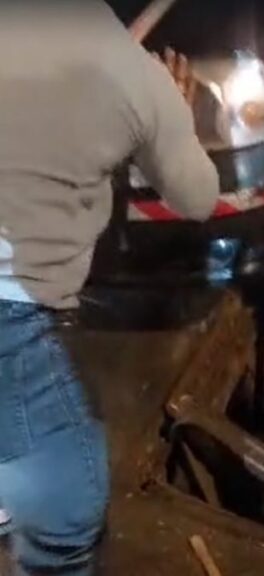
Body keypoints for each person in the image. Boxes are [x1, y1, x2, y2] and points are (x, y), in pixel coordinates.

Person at [0, 3, 219, 574]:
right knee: (69, 520)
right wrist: (173, 114)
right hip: (14, 319)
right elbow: (196, 197)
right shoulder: (136, 77)